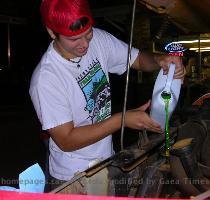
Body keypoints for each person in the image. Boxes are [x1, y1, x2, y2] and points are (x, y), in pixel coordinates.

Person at [29, 0, 186, 195]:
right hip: (73, 177)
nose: (85, 44)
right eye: (74, 39)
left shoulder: (99, 40)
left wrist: (160, 60)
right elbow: (66, 140)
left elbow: (137, 59)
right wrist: (123, 120)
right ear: (52, 32)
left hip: (106, 161)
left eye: (88, 34)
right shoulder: (46, 78)